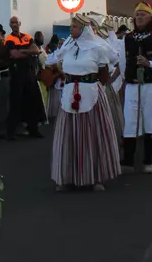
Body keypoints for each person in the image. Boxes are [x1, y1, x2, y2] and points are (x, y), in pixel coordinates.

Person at [46, 14, 122, 192]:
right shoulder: (68, 46)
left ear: (83, 29)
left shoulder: (97, 47)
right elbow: (55, 61)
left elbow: (105, 72)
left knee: (94, 133)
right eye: (71, 26)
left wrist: (93, 84)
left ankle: (96, 176)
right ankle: (66, 177)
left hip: (91, 91)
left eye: (74, 27)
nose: (71, 29)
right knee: (68, 135)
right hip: (70, 92)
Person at [121, 2, 152, 174]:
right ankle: (128, 160)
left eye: (143, 14)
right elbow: (122, 63)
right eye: (137, 15)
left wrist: (150, 63)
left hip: (151, 86)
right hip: (132, 86)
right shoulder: (127, 38)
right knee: (130, 121)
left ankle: (148, 161)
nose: (139, 17)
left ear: (150, 17)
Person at [6, 17, 45, 139]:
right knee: (16, 103)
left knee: (32, 102)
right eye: (12, 23)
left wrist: (23, 50)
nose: (14, 25)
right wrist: (28, 51)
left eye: (16, 22)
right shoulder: (9, 39)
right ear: (10, 25)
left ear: (19, 24)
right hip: (17, 74)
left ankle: (33, 129)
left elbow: (37, 50)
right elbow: (14, 55)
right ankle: (11, 132)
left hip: (29, 73)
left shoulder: (27, 37)